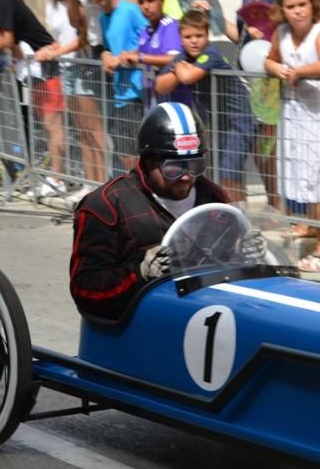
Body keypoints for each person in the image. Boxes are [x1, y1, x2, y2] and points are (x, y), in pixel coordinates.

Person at [69, 101, 266, 321]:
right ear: (148, 160)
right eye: (173, 166)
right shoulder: (105, 205)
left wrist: (247, 257)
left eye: (195, 165)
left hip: (204, 319)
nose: (186, 176)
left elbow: (226, 268)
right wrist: (139, 274)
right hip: (139, 328)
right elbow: (84, 290)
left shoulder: (213, 199)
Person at [265, 0, 320, 271]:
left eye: (301, 5)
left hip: (319, 116)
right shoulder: (281, 33)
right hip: (295, 114)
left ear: (311, 6)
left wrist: (298, 72)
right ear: (283, 10)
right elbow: (270, 59)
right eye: (291, 7)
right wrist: (274, 67)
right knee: (308, 182)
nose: (297, 11)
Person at [0, 0, 68, 197]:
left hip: (44, 63)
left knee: (52, 124)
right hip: (26, 67)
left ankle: (58, 178)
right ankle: (45, 174)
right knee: (39, 124)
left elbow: (5, 39)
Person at [156, 8, 262, 207]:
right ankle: (227, 214)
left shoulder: (211, 54)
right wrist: (179, 66)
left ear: (208, 35)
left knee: (229, 173)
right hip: (220, 122)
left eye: (199, 35)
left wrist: (178, 67)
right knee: (219, 173)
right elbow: (161, 86)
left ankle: (238, 220)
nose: (194, 41)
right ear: (181, 38)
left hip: (240, 120)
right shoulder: (182, 57)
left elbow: (187, 77)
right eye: (188, 36)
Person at [39, 0, 106, 185]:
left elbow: (83, 35)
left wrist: (58, 52)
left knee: (93, 129)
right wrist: (51, 49)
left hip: (85, 67)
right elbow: (65, 31)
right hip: (67, 67)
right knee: (82, 131)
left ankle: (101, 183)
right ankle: (90, 183)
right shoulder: (56, 3)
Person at [82, 0, 147, 171]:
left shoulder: (129, 10)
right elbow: (111, 48)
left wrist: (123, 58)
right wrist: (105, 55)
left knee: (136, 156)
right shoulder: (103, 18)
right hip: (120, 93)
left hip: (139, 92)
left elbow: (152, 39)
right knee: (126, 156)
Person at [128, 0, 183, 107]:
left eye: (151, 0)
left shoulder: (171, 26)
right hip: (151, 101)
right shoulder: (145, 31)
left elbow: (174, 58)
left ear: (162, 1)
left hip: (173, 102)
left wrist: (140, 58)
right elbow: (141, 52)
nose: (146, 6)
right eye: (141, 2)